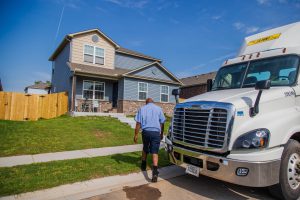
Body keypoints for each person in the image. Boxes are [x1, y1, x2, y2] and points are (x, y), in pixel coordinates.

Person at [134, 98, 166, 182]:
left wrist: (136, 135)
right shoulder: (159, 109)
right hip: (156, 133)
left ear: (146, 103)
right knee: (155, 152)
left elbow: (138, 123)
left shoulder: (142, 108)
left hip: (146, 132)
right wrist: (161, 133)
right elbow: (162, 122)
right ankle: (155, 172)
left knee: (145, 148)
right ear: (153, 102)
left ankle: (143, 165)